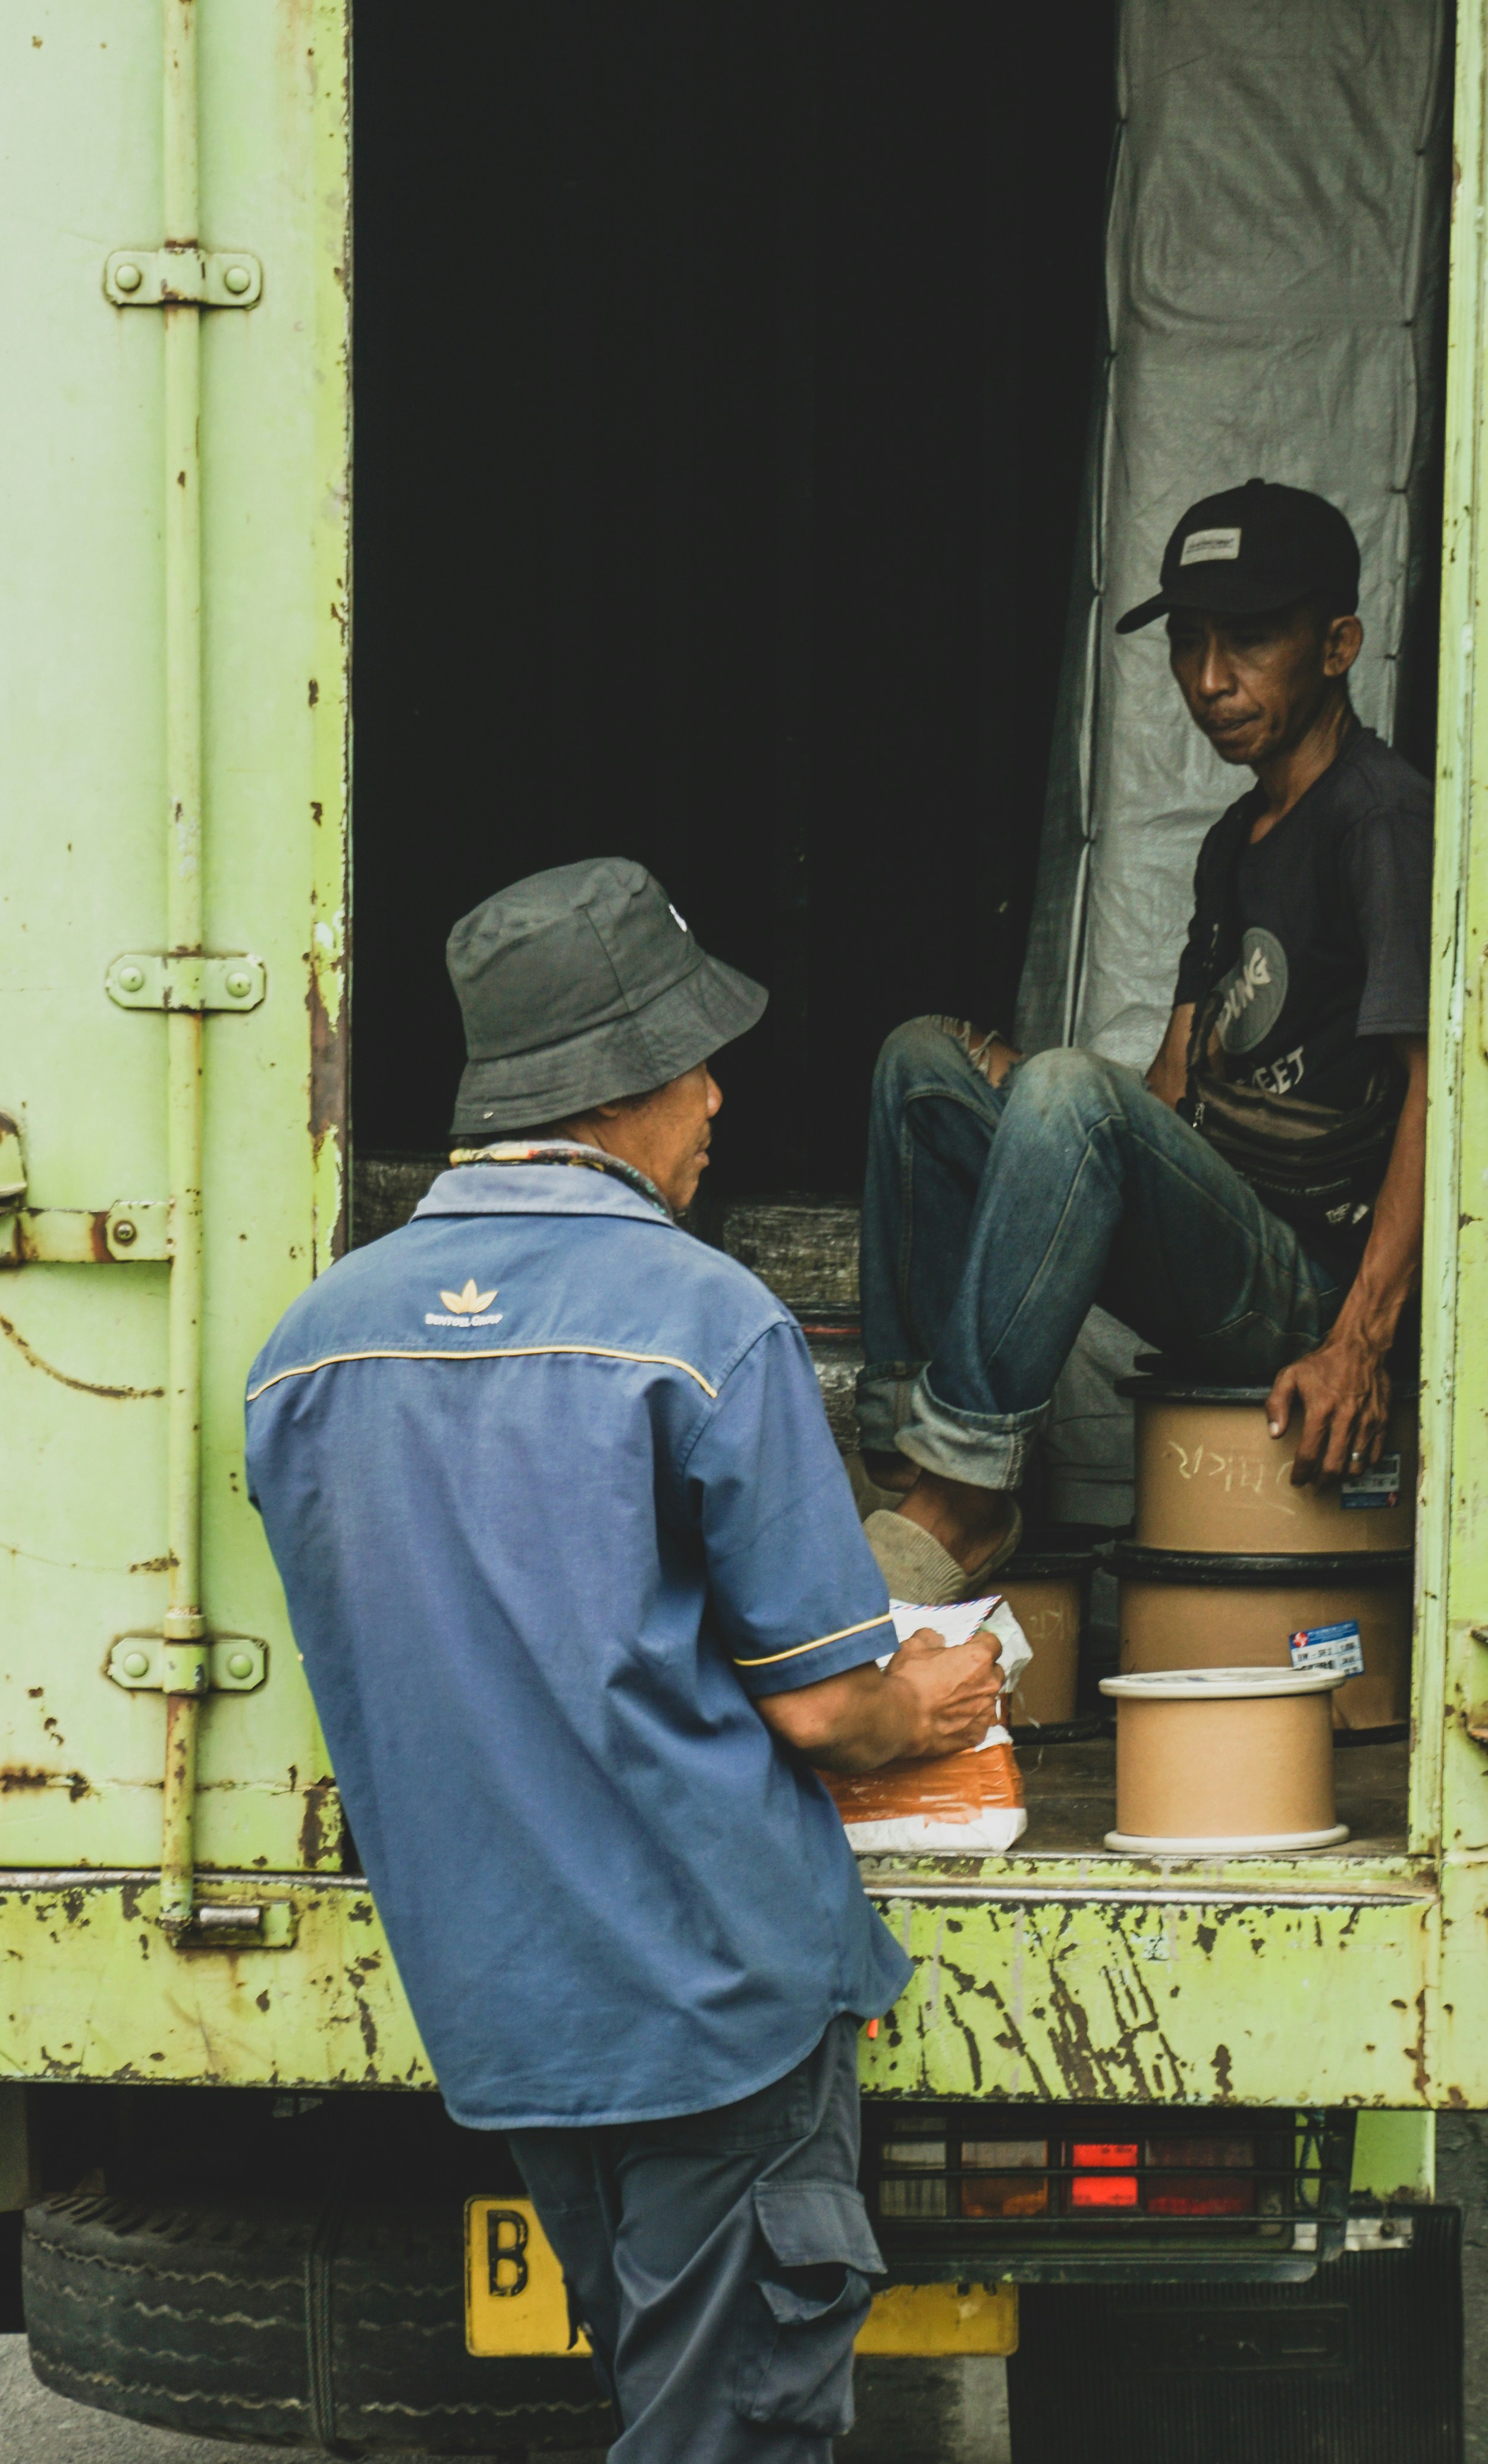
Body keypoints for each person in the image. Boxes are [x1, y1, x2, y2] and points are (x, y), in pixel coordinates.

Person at [244, 857, 1002, 2462]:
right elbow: (819, 1700)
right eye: (695, 1060)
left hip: (512, 2014)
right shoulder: (703, 1321)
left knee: (675, 2403)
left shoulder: (312, 1350)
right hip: (710, 1994)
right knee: (734, 2427)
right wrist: (918, 1699)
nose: (719, 1096)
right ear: (621, 1087)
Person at [857, 479, 1433, 1601]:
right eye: (1190, 643)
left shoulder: (1381, 821)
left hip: (1310, 1279)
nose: (1210, 681)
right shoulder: (1236, 839)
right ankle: (907, 1459)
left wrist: (1358, 1342)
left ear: (1339, 645)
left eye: (1251, 641)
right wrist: (1028, 1097)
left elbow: (1439, 1095)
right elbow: (1169, 1096)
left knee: (1070, 1089)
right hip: (1221, 1234)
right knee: (921, 1066)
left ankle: (969, 1492)